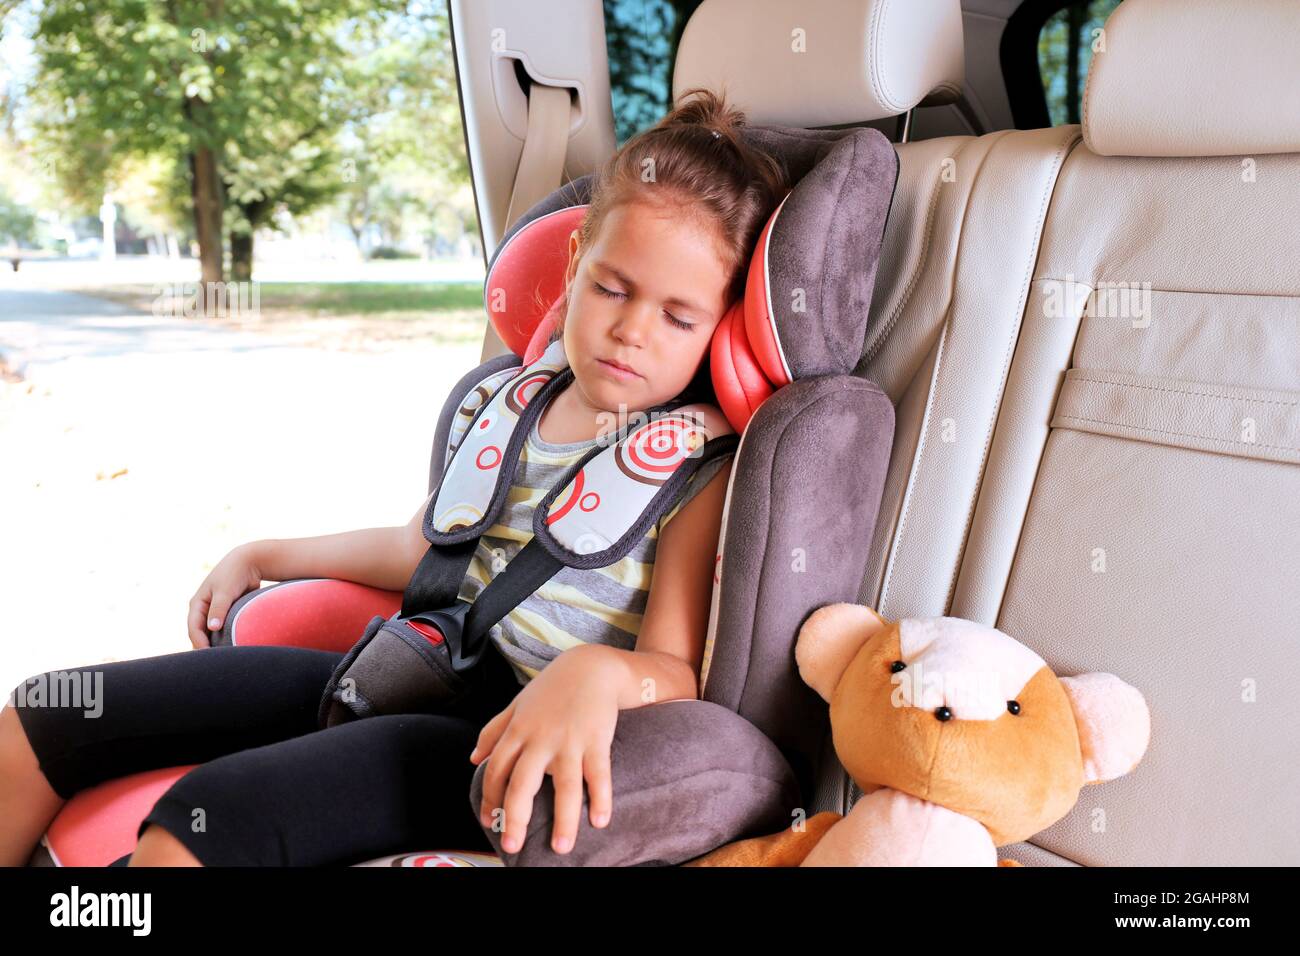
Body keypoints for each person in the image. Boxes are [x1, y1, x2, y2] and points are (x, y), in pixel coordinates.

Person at [0, 87, 790, 867]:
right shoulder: (511, 399)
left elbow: (674, 669)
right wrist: (272, 553)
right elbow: (425, 543)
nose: (631, 330)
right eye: (613, 288)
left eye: (678, 317)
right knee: (42, 712)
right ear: (577, 259)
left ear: (720, 327)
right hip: (404, 662)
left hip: (485, 737)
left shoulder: (693, 469)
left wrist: (596, 673)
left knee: (197, 826)